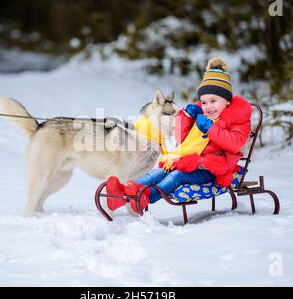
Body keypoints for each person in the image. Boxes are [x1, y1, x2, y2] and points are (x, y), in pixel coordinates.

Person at [105, 57, 253, 214]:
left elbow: (235, 143)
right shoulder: (202, 117)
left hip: (213, 170)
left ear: (227, 101)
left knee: (176, 176)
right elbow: (182, 140)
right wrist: (187, 118)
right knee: (158, 172)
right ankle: (122, 193)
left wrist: (210, 128)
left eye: (213, 101)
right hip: (190, 162)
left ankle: (145, 197)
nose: (208, 107)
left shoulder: (238, 119)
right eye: (204, 102)